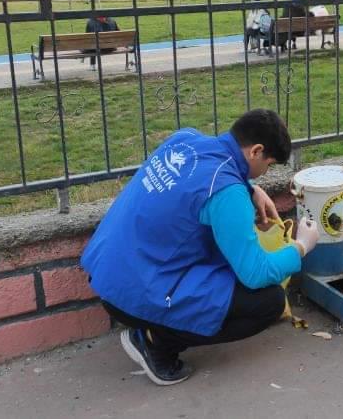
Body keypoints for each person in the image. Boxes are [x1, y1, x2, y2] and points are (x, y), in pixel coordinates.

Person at [81, 109, 319, 385]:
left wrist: (250, 187)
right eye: (269, 164)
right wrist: (301, 246)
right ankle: (156, 342)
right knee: (269, 302)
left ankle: (154, 327)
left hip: (107, 272)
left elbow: (203, 178)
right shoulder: (227, 193)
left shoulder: (185, 139)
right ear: (256, 151)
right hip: (134, 294)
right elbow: (254, 273)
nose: (266, 172)